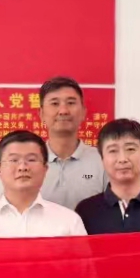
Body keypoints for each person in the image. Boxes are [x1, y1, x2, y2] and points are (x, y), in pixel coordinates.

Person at [0, 130, 87, 238]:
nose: (22, 167)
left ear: (45, 169)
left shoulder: (69, 222)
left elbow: (83, 261)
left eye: (31, 159)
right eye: (14, 160)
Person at [38, 76, 107, 210]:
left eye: (70, 103)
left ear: (83, 112)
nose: (63, 111)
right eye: (54, 103)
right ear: (41, 114)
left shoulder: (102, 161)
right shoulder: (29, 162)